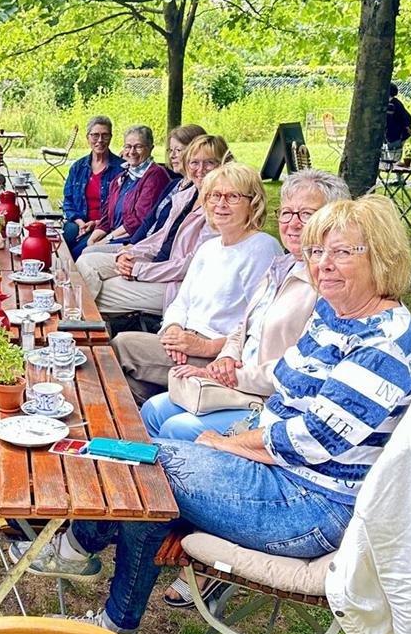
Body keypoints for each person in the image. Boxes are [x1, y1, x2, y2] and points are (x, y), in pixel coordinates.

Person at [13, 195, 411, 634]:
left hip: (312, 508)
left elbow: (310, 439)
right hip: (288, 473)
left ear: (383, 257)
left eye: (343, 252)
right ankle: (95, 579)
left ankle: (91, 576)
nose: (323, 264)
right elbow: (289, 393)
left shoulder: (383, 342)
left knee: (150, 471)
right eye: (317, 251)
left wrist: (225, 443)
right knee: (143, 463)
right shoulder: (336, 312)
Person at [141, 169, 352, 442]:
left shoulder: (327, 284)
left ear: (332, 219)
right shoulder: (283, 266)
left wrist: (227, 372)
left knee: (177, 428)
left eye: (306, 214)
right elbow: (244, 326)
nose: (293, 223)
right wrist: (226, 358)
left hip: (272, 399)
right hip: (237, 379)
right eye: (287, 213)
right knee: (152, 410)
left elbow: (303, 368)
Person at [112, 162, 282, 402]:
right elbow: (181, 302)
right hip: (184, 342)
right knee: (123, 382)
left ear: (253, 203)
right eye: (214, 196)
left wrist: (204, 347)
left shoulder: (262, 248)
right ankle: (152, 409)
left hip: (218, 355)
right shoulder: (209, 247)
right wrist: (173, 332)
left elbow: (258, 325)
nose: (220, 204)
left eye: (232, 196)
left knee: (120, 347)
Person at [76, 135, 231, 317]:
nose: (201, 170)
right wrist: (128, 254)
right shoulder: (188, 195)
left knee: (99, 293)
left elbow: (191, 265)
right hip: (156, 263)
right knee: (85, 262)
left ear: (222, 165)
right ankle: (89, 330)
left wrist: (138, 270)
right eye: (194, 162)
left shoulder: (219, 208)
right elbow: (159, 237)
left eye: (209, 163)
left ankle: (85, 333)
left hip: (178, 284)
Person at [84, 125, 171, 248]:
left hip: (136, 241)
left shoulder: (155, 176)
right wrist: (92, 240)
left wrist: (105, 240)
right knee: (80, 249)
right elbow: (107, 218)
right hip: (114, 235)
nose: (132, 152)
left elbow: (139, 221)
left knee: (86, 256)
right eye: (128, 146)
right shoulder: (122, 177)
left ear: (151, 148)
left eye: (138, 147)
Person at [62, 115, 125, 258]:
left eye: (105, 135)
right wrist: (81, 223)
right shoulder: (78, 167)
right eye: (95, 135)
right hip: (78, 223)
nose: (100, 140)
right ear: (88, 138)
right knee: (57, 245)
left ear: (111, 137)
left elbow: (121, 209)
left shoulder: (120, 169)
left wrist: (95, 223)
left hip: (104, 227)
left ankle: (71, 278)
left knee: (77, 253)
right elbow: (68, 201)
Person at [385, 83, 411, 162]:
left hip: (398, 132)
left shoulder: (395, 104)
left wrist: (408, 128)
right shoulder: (387, 103)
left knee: (394, 153)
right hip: (390, 132)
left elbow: (406, 117)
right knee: (389, 152)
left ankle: (396, 171)